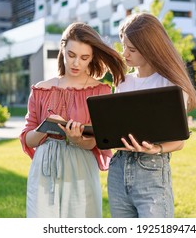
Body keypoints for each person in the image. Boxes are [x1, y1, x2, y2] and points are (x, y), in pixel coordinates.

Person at [19, 22, 126, 218]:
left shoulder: (100, 92)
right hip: (44, 168)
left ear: (92, 57)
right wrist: (46, 127)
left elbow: (99, 140)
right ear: (63, 49)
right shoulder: (41, 89)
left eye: (84, 57)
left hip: (80, 166)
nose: (76, 63)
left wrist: (78, 139)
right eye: (71, 55)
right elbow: (27, 138)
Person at [107, 12, 196, 218]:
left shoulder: (171, 85)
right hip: (118, 169)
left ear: (150, 49)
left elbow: (179, 140)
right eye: (124, 47)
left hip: (151, 170)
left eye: (131, 49)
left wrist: (155, 148)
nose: (125, 54)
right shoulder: (123, 82)